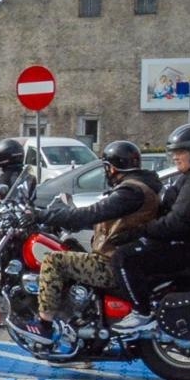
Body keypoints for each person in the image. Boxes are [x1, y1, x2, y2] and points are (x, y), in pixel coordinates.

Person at [24, 141, 162, 346]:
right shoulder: (141, 187)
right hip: (121, 258)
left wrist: (42, 215)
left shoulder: (131, 191)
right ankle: (75, 317)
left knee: (54, 260)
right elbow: (108, 219)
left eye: (107, 166)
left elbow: (94, 212)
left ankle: (44, 325)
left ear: (112, 168)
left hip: (112, 263)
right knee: (70, 247)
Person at [114, 122, 190, 322]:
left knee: (123, 258)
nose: (175, 157)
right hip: (189, 244)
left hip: (189, 248)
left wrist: (140, 231)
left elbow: (176, 222)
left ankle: (141, 314)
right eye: (174, 152)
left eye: (181, 152)